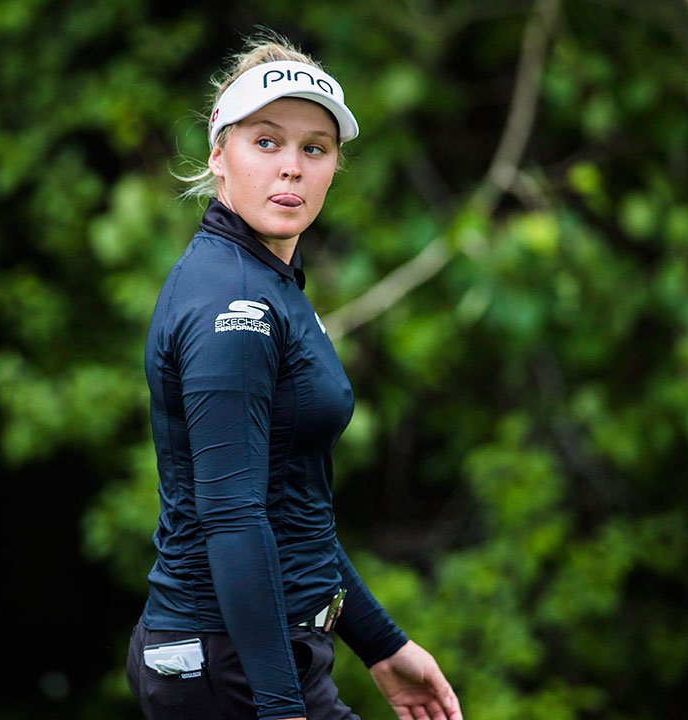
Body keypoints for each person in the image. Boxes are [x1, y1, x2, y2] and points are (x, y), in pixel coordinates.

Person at [125, 33, 463, 720]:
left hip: (253, 657)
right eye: (267, 142)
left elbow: (290, 506)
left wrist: (381, 645)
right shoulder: (234, 303)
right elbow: (232, 517)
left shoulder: (268, 285)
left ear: (336, 167)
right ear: (219, 155)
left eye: (315, 148)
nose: (292, 169)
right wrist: (282, 711)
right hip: (227, 665)